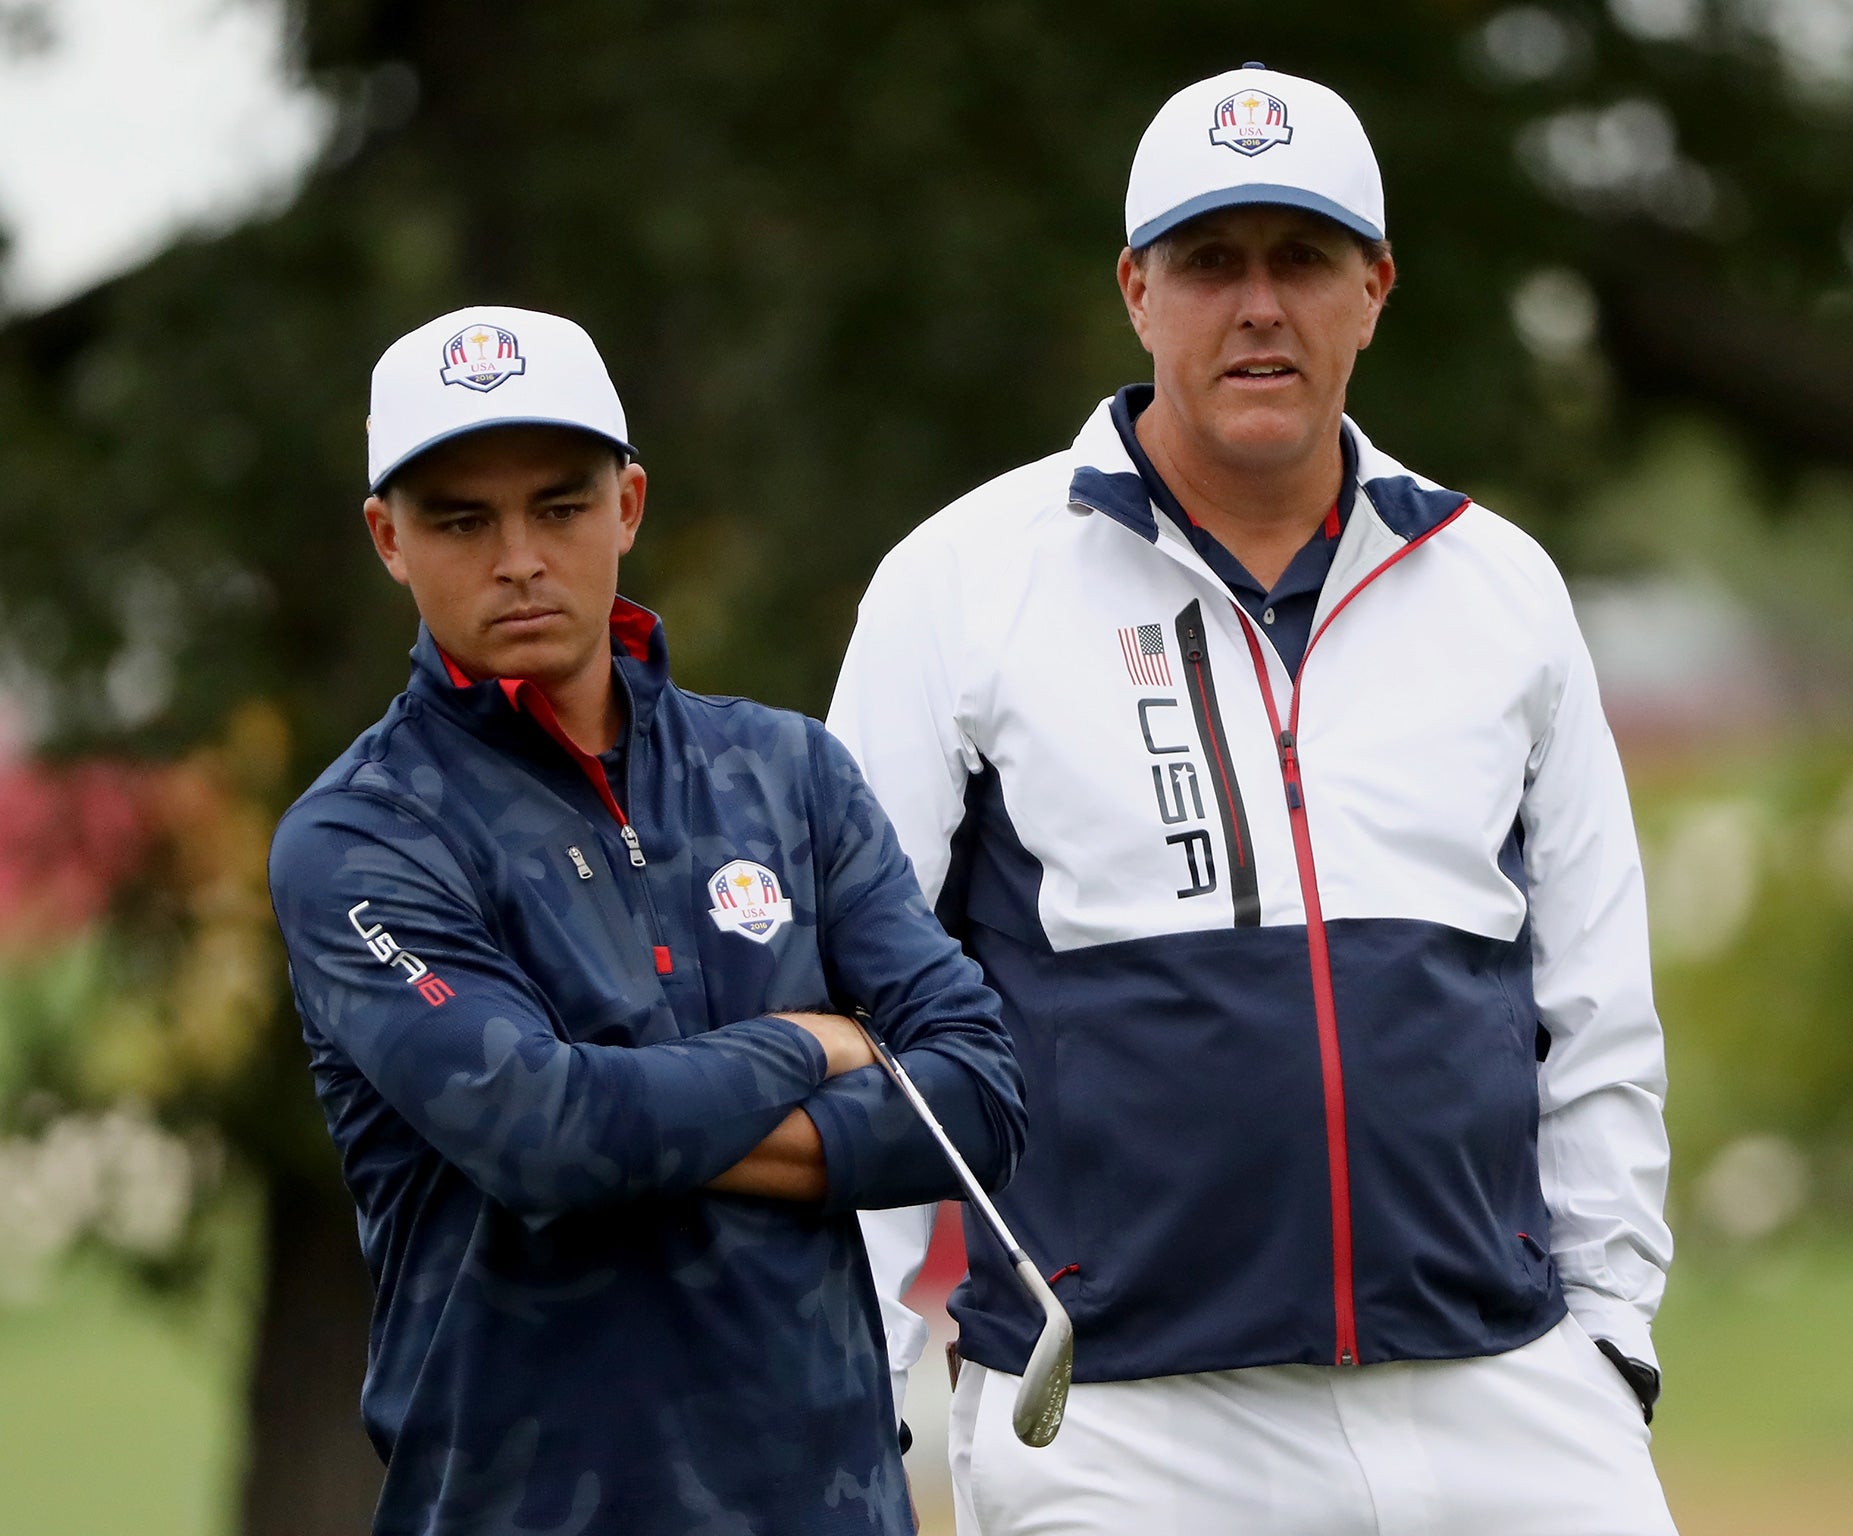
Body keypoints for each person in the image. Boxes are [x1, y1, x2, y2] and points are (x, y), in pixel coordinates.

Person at [828, 66, 1677, 1535]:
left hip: (1501, 1387)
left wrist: (1609, 1337)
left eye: (1302, 260)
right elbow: (857, 1018)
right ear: (1138, 292)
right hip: (1121, 1413)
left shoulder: (1502, 587)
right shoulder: (959, 583)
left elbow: (1596, 1003)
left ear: (1375, 287)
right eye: (1213, 263)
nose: (1259, 306)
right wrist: (860, 1381)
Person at [267, 305, 1026, 1536]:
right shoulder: (361, 835)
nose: (518, 556)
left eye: (558, 507)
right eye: (461, 519)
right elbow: (541, 1140)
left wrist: (622, 1107)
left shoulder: (789, 772)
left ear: (626, 505)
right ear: (386, 539)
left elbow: (980, 1099)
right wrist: (815, 1042)